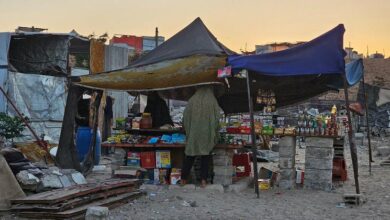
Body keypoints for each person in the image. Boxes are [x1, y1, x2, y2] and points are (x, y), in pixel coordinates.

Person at [181, 86, 222, 187]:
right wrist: (215, 130)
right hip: (206, 133)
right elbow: (217, 118)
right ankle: (203, 181)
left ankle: (183, 180)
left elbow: (185, 117)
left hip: (194, 134)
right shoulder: (212, 100)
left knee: (190, 155)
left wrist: (189, 130)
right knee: (206, 157)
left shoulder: (192, 100)